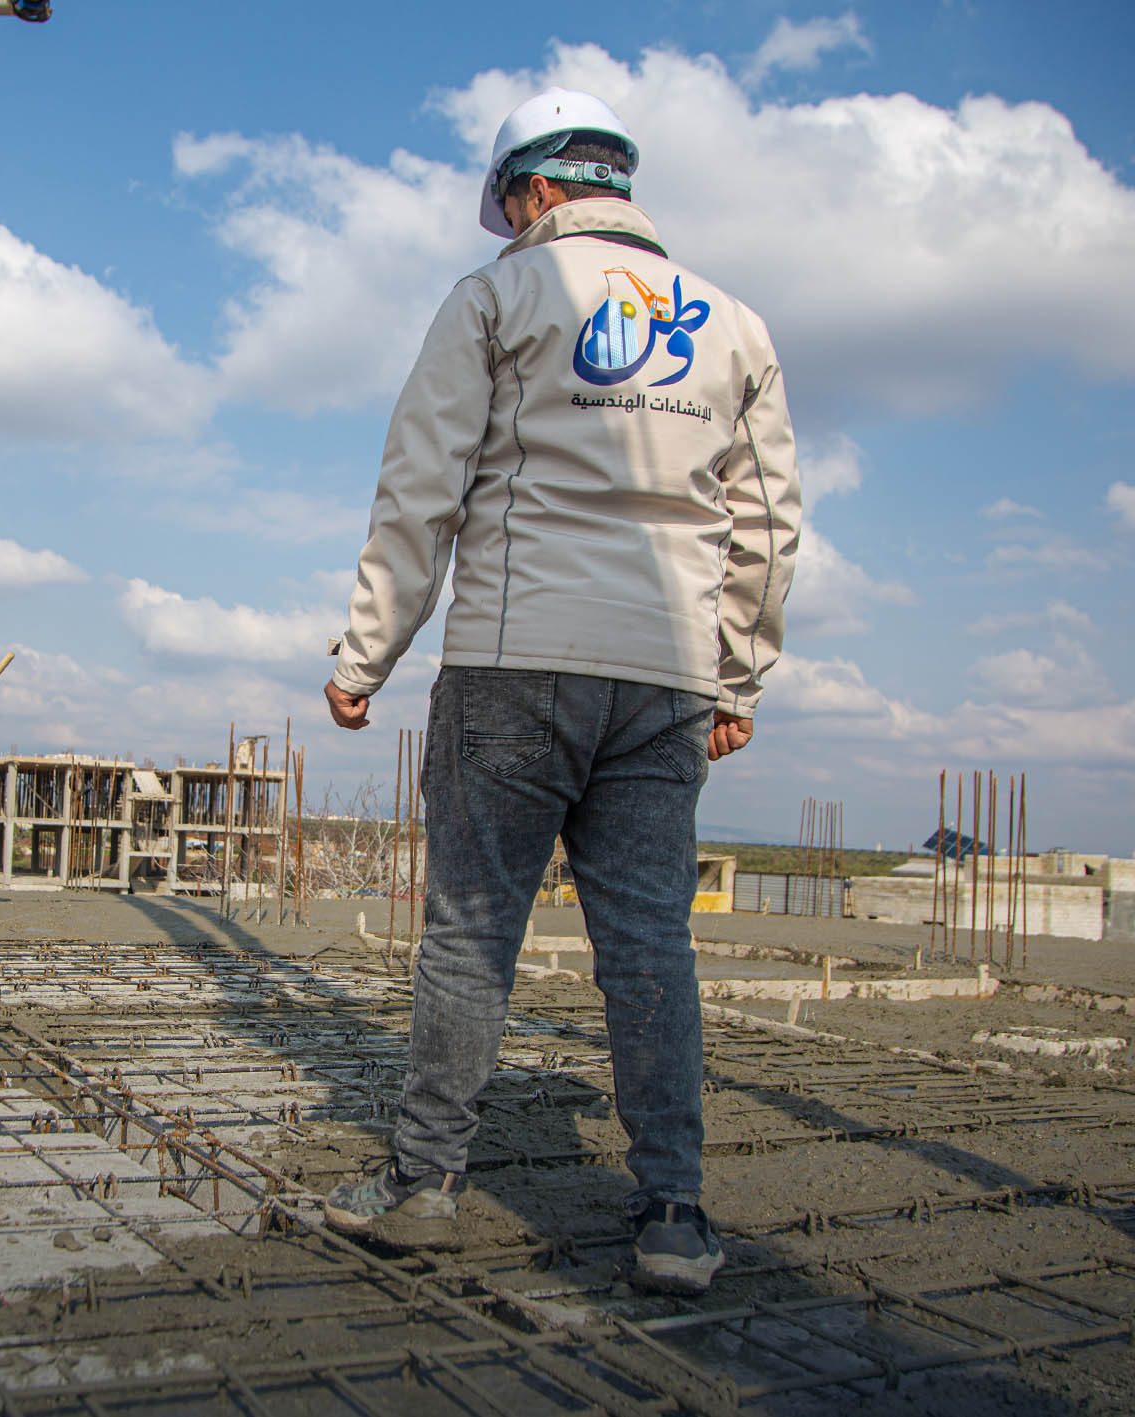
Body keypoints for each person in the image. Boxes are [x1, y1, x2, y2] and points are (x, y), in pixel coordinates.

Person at [320, 89, 800, 1294]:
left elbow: (420, 487)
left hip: (513, 660)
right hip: (667, 679)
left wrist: (364, 655)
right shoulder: (734, 324)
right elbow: (766, 529)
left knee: (474, 934)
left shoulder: (495, 297)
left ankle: (426, 1185)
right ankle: (675, 1218)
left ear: (532, 190)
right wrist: (735, 675)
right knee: (649, 945)